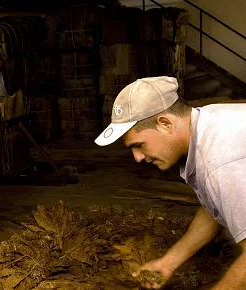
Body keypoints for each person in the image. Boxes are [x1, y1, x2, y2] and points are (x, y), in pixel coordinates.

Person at [94, 76, 246, 290]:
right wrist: (168, 263)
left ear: (165, 124)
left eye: (139, 145)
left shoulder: (220, 161)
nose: (137, 157)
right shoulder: (206, 123)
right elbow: (217, 206)